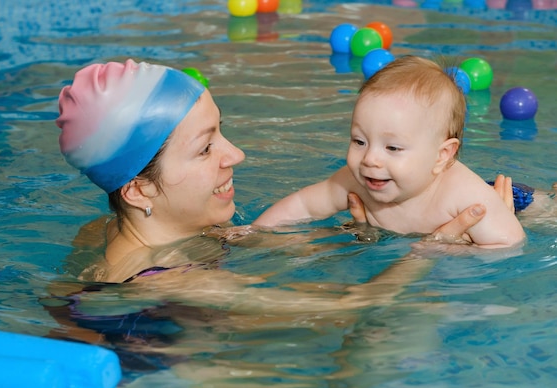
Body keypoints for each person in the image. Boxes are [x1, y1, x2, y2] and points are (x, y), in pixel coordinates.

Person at [55, 58, 513, 312]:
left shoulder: (100, 230)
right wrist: (428, 251)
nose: (236, 155)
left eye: (222, 133)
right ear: (137, 190)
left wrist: (350, 237)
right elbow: (348, 307)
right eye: (205, 148)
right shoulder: (172, 283)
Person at [253, 55, 526, 249]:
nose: (370, 159)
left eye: (392, 147)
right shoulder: (357, 180)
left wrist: (453, 250)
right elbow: (303, 205)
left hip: (514, 201)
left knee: (545, 210)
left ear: (442, 155)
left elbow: (509, 244)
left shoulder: (467, 199)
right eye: (359, 141)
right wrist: (251, 233)